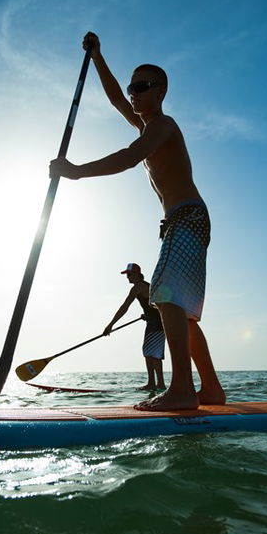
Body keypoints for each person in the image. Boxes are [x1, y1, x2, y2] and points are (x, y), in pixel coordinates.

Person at [50, 31, 226, 411]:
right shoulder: (147, 124)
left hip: (187, 217)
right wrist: (98, 57)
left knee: (164, 296)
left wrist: (76, 172)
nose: (134, 93)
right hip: (183, 221)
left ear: (160, 92)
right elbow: (115, 98)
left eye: (142, 87)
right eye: (133, 87)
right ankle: (210, 390)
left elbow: (131, 157)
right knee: (180, 311)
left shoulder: (163, 125)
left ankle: (181, 390)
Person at [104, 262, 166, 391]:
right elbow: (155, 305)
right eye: (127, 275)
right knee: (153, 353)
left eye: (130, 274)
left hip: (155, 323)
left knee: (150, 353)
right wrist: (147, 315)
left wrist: (110, 325)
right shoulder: (147, 285)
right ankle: (158, 384)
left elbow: (124, 307)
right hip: (159, 322)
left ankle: (153, 384)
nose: (128, 277)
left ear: (137, 274)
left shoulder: (138, 287)